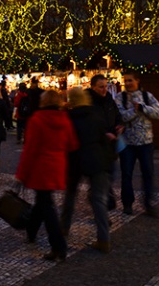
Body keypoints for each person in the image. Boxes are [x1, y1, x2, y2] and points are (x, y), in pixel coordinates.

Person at [15, 90, 79, 262]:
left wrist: (21, 174)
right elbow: (72, 144)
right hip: (57, 166)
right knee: (42, 202)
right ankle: (32, 231)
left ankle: (58, 246)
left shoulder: (37, 120)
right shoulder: (65, 119)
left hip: (40, 168)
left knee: (47, 206)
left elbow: (30, 150)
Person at [60, 88, 114, 253]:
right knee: (98, 200)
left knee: (70, 197)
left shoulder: (69, 118)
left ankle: (63, 229)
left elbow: (66, 142)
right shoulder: (95, 115)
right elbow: (103, 137)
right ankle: (104, 239)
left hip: (76, 161)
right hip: (97, 160)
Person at [114, 70, 159, 217]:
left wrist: (143, 108)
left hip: (146, 143)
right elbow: (122, 116)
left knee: (148, 173)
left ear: (137, 81)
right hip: (127, 144)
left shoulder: (147, 97)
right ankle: (127, 204)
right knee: (127, 174)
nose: (128, 83)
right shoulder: (120, 97)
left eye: (130, 80)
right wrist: (134, 110)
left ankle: (149, 204)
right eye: (126, 80)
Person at [86, 74, 124, 211]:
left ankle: (99, 196)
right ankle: (101, 205)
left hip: (110, 146)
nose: (104, 90)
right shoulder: (88, 102)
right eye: (101, 87)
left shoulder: (109, 100)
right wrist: (103, 134)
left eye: (106, 86)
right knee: (101, 177)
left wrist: (119, 125)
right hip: (96, 146)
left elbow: (117, 116)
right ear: (93, 87)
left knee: (111, 174)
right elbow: (88, 125)